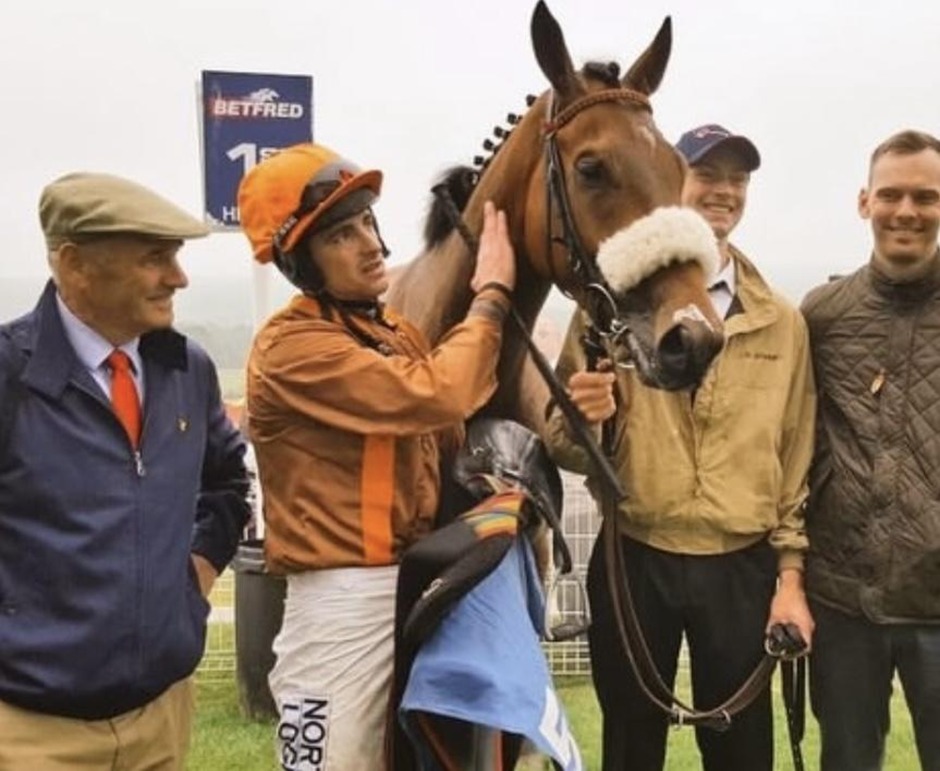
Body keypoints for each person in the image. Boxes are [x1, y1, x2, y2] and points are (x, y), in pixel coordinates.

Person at [545, 123, 816, 771]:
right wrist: (589, 420)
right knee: (631, 747)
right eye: (707, 175)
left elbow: (796, 459)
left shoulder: (782, 321)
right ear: (673, 187)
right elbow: (559, 435)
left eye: (737, 179)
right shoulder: (609, 307)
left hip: (741, 565)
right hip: (635, 557)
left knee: (742, 750)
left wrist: (789, 580)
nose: (723, 191)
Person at [237, 142, 516, 769]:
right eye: (340, 233)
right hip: (338, 605)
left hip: (417, 583)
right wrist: (492, 296)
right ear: (298, 261)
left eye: (367, 221)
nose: (368, 242)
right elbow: (440, 393)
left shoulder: (395, 334)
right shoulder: (292, 348)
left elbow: (451, 439)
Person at [0, 172, 251, 769]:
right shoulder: (9, 374)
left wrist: (192, 581)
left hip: (160, 718)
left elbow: (227, 484)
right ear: (74, 264)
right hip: (28, 731)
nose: (179, 277)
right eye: (154, 258)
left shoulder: (186, 368)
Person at [801, 129, 940, 771]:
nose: (906, 211)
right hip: (842, 601)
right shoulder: (822, 315)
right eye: (891, 194)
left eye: (926, 196)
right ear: (865, 202)